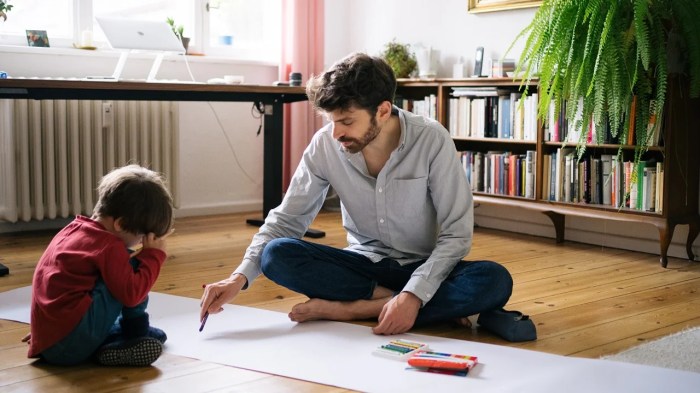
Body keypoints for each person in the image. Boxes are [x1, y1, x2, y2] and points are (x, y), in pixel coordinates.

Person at [200, 52, 514, 337]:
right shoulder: (326, 144)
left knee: (494, 279)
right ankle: (414, 306)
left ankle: (355, 309)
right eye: (331, 121)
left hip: (423, 265)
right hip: (362, 266)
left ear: (382, 111)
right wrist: (238, 279)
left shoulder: (432, 139)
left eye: (347, 121)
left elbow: (456, 235)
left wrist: (415, 292)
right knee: (276, 254)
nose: (336, 133)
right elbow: (286, 220)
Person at [24, 164, 174, 366]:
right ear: (120, 224)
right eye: (141, 236)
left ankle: (110, 341)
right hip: (72, 347)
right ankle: (134, 334)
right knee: (133, 271)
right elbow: (132, 294)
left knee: (115, 272)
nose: (141, 242)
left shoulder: (73, 229)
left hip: (49, 340)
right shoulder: (108, 246)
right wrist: (153, 255)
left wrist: (46, 331)